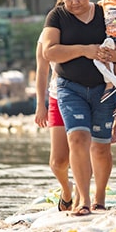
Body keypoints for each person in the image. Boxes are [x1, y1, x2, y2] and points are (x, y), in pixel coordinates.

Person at [41, 0, 116, 216]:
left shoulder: (106, 14)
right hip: (70, 87)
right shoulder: (56, 16)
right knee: (77, 138)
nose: (74, 2)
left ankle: (100, 196)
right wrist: (84, 50)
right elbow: (49, 52)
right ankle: (83, 200)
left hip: (104, 88)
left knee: (100, 147)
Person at [34, 32, 74, 212]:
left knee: (82, 150)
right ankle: (67, 190)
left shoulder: (84, 26)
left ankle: (83, 197)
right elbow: (42, 70)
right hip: (57, 97)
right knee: (58, 162)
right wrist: (40, 105)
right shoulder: (46, 36)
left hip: (85, 96)